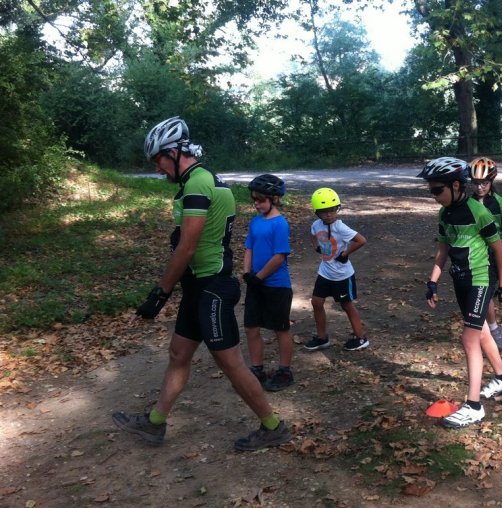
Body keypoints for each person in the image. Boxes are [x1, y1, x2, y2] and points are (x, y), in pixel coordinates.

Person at [112, 117, 291, 452]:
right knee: (179, 352)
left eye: (158, 161)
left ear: (175, 152)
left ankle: (273, 426)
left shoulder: (198, 182)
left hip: (213, 286)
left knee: (230, 362)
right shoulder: (199, 180)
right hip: (198, 286)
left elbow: (188, 246)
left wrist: (160, 292)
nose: (158, 170)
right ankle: (154, 424)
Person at [418, 157, 502, 429]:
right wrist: (432, 282)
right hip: (459, 279)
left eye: (437, 190)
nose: (433, 196)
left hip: (481, 279)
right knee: (481, 332)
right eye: (430, 191)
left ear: (456, 185)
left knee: (469, 338)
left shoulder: (478, 212)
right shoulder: (445, 213)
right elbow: (443, 251)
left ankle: (473, 406)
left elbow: (498, 249)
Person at [242, 174, 295, 392]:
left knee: (280, 328)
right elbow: (249, 248)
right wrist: (247, 272)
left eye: (261, 200)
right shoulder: (255, 222)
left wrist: (260, 276)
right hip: (256, 284)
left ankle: (284, 371)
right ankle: (257, 369)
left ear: (273, 199)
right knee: (251, 327)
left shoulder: (280, 224)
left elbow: (279, 256)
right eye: (254, 199)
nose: (257, 203)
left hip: (276, 285)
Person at [304, 187, 369, 351]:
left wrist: (346, 253)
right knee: (316, 302)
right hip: (325, 272)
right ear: (317, 212)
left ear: (337, 209)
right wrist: (316, 247)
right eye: (324, 211)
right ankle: (322, 337)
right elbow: (312, 234)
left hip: (342, 275)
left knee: (346, 305)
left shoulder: (341, 227)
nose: (329, 214)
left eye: (332, 210)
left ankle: (360, 338)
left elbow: (361, 240)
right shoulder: (316, 224)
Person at [468, 157, 502, 352]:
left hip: (494, 257)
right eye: (476, 183)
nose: (480, 188)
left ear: (491, 181)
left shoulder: (499, 203)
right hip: (472, 257)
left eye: (484, 183)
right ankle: (487, 330)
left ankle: (493, 330)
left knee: (485, 297)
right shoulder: (466, 202)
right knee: (478, 298)